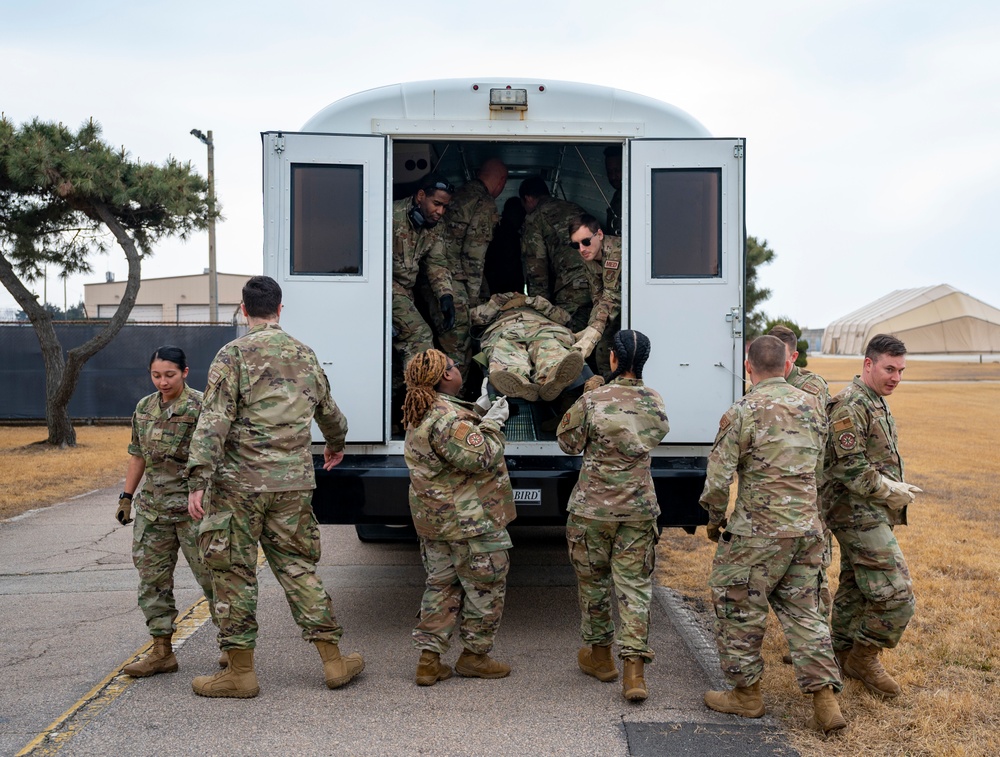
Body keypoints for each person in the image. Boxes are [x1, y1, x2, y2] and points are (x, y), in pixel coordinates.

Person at [186, 275, 363, 699]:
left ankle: (240, 673)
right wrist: (335, 446)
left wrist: (198, 478)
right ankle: (334, 661)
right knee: (299, 568)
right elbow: (332, 414)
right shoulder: (304, 353)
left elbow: (214, 420)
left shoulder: (232, 355)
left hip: (238, 487)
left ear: (243, 310)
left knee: (233, 572)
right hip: (292, 484)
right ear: (280, 310)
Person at [700, 335, 846, 735]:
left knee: (739, 606)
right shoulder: (815, 408)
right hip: (806, 529)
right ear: (787, 365)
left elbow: (718, 477)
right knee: (806, 612)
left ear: (748, 367)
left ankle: (746, 696)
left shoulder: (743, 410)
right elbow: (821, 472)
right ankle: (825, 700)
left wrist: (714, 519)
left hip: (758, 533)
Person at [557, 330, 669, 702]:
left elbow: (568, 443)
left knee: (594, 584)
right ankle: (634, 674)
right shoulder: (655, 400)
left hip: (593, 509)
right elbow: (656, 434)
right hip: (638, 508)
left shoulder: (595, 399)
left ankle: (601, 658)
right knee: (635, 587)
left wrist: (587, 396)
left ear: (613, 359)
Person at [402, 348, 516, 685]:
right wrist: (493, 424)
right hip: (470, 520)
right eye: (453, 365)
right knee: (485, 587)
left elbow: (452, 439)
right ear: (447, 376)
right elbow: (480, 457)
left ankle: (429, 660)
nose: (457, 368)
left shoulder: (422, 409)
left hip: (435, 521)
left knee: (441, 586)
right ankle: (474, 657)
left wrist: (478, 412)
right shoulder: (448, 419)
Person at [821, 333, 920, 699]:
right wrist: (889, 490)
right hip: (855, 514)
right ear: (868, 364)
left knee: (856, 588)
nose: (896, 377)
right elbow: (851, 470)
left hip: (868, 511)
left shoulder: (874, 400)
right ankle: (864, 657)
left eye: (901, 370)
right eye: (889, 368)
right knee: (897, 595)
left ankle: (840, 652)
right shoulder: (849, 404)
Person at [116, 345, 217, 678]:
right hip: (153, 511)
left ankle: (233, 648)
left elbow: (215, 456)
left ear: (185, 373)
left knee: (213, 578)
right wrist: (126, 496)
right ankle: (161, 652)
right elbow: (137, 455)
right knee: (153, 582)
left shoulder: (201, 406)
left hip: (194, 510)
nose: (162, 381)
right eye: (156, 375)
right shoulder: (144, 408)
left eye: (169, 375)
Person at [768, 323, 833, 667]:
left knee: (815, 572)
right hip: (779, 494)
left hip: (809, 492)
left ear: (792, 356)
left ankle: (817, 645)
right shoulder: (768, 382)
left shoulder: (810, 387)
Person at [431, 158, 508, 381]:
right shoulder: (484, 203)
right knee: (459, 344)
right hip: (455, 281)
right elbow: (475, 254)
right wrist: (474, 301)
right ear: (501, 181)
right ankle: (455, 399)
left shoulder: (459, 194)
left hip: (435, 277)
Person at [470, 292, 585, 402]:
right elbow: (475, 318)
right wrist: (497, 302)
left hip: (542, 327)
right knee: (504, 348)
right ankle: (518, 380)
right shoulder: (496, 307)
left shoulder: (537, 304)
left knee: (549, 345)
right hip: (506, 329)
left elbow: (564, 318)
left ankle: (553, 376)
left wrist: (529, 301)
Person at [392, 173, 456, 371]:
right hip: (384, 289)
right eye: (436, 203)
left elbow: (436, 262)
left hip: (406, 292)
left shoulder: (436, 227)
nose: (440, 211)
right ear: (420, 196)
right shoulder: (390, 216)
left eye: (444, 207)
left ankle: (400, 395)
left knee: (398, 357)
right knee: (419, 335)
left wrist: (446, 295)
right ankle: (421, 394)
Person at [519, 176, 593, 332]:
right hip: (596, 282)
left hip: (571, 288)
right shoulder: (575, 208)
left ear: (528, 198)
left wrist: (541, 310)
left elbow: (536, 270)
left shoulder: (534, 218)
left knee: (566, 338)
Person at [567, 214, 622, 375]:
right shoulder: (589, 259)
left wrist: (593, 333)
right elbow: (598, 298)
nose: (582, 249)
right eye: (576, 245)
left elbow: (611, 296)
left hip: (633, 308)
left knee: (604, 352)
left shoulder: (615, 253)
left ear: (599, 235)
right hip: (615, 310)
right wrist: (591, 329)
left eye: (585, 242)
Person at [483, 196, 526, 297]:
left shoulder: (496, 231)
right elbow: (512, 268)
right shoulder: (511, 236)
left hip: (495, 289)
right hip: (508, 290)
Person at [603, 146, 623, 236]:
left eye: (617, 170)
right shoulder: (617, 195)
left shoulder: (635, 196)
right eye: (609, 172)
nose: (613, 177)